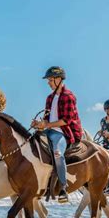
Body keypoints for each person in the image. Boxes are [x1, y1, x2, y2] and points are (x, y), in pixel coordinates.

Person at [31, 66, 83, 203]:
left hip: (63, 132)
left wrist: (47, 125)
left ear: (59, 79)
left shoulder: (69, 96)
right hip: (49, 130)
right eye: (48, 80)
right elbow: (47, 118)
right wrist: (39, 124)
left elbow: (66, 121)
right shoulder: (49, 98)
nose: (48, 82)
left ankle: (63, 188)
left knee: (57, 154)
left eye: (50, 80)